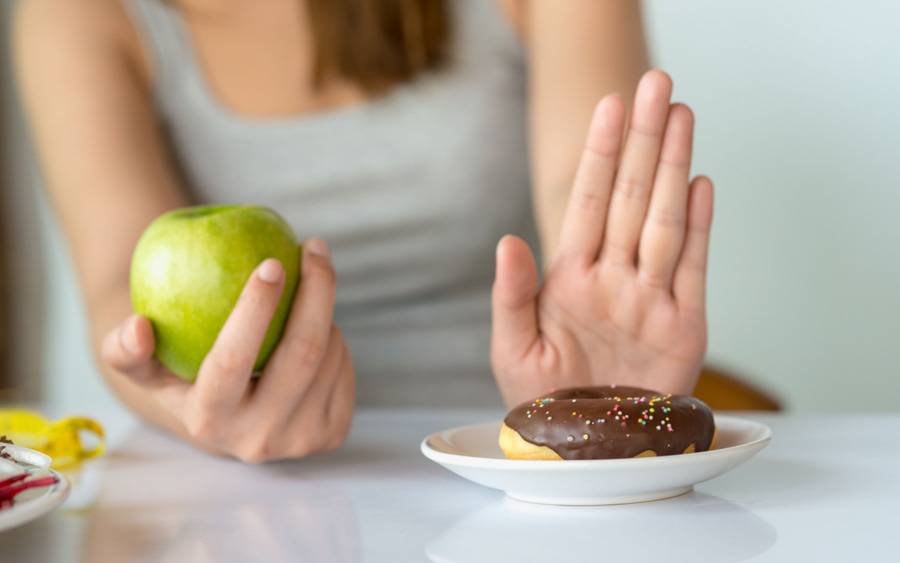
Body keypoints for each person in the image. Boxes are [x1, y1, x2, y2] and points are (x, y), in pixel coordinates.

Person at [14, 0, 713, 463]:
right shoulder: (77, 14)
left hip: (503, 468)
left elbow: (581, 193)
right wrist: (191, 404)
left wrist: (595, 375)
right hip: (221, 496)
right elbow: (116, 279)